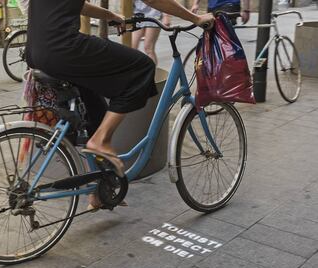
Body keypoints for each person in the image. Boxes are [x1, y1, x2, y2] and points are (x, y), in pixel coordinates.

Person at [26, 0, 214, 209]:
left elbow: (74, 5)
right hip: (63, 47)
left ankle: (100, 189)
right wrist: (196, 18)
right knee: (142, 67)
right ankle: (101, 140)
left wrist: (109, 15)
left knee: (96, 111)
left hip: (37, 50)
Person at [131, 0, 171, 65]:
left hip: (154, 14)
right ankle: (136, 71)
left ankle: (152, 73)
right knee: (132, 47)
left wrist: (166, 16)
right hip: (138, 14)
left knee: (148, 48)